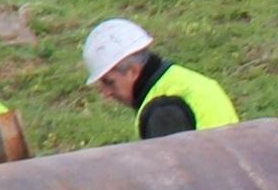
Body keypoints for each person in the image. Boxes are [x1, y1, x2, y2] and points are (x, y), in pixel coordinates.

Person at [82, 18, 237, 139]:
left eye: (110, 82)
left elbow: (172, 174)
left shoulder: (163, 110)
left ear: (133, 71)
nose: (106, 93)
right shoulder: (183, 81)